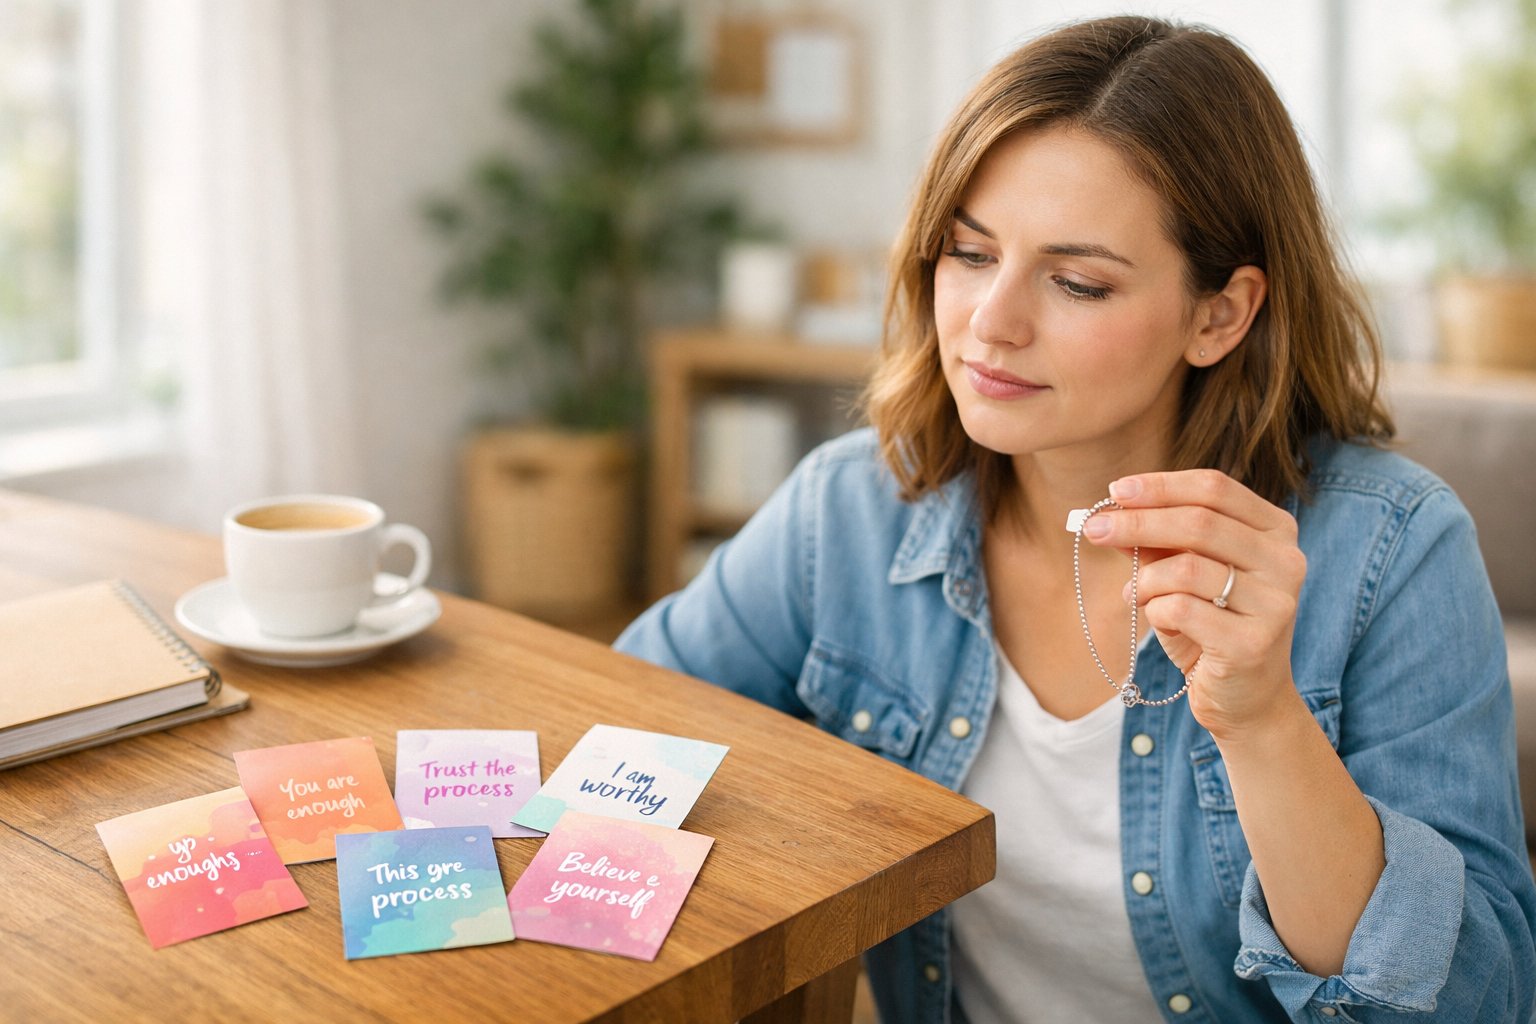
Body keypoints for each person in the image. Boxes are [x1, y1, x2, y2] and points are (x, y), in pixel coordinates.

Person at [615, 15, 1536, 1023]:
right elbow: (625, 734)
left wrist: (1264, 721)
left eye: (1077, 281)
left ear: (1218, 315)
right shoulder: (854, 508)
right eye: (969, 252)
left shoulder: (1394, 551)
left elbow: (1478, 1002)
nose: (990, 321)